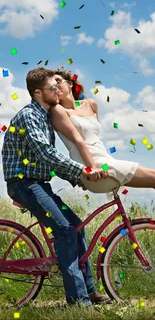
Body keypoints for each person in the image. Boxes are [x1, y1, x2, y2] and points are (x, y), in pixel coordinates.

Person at [1, 67, 112, 308]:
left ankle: (89, 291)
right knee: (65, 231)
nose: (58, 91)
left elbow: (49, 160)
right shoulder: (30, 115)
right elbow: (47, 154)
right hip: (24, 183)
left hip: (38, 183)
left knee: (77, 228)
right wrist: (81, 171)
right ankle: (78, 302)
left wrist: (77, 179)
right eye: (54, 87)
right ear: (39, 92)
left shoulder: (45, 115)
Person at [51, 67, 155, 197]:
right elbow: (78, 141)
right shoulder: (58, 110)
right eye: (52, 85)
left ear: (70, 84)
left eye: (58, 81)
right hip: (92, 166)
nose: (55, 86)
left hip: (105, 161)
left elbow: (94, 138)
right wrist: (91, 168)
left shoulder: (91, 104)